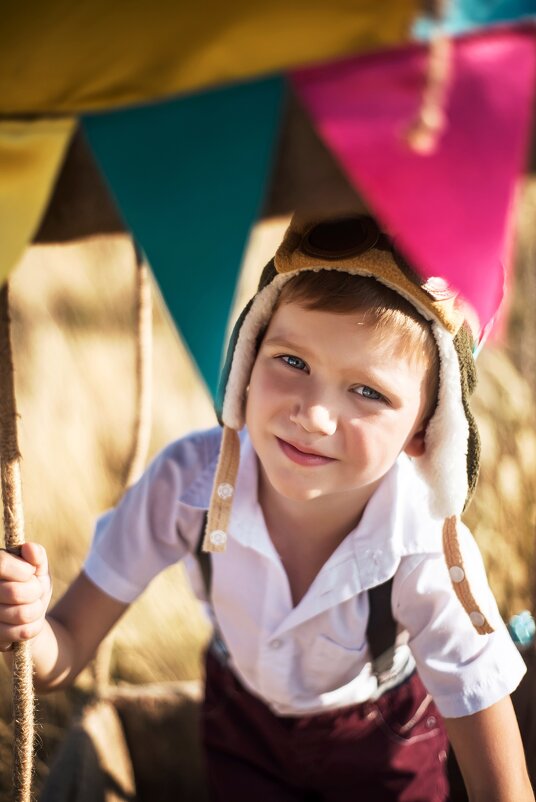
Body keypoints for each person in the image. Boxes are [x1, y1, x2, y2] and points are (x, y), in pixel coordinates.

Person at [0, 215, 533, 802]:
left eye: (368, 392)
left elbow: (501, 791)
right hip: (240, 729)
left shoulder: (427, 555)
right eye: (293, 362)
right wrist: (29, 624)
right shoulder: (187, 487)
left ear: (424, 434)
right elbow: (65, 650)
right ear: (246, 360)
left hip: (384, 747)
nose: (313, 414)